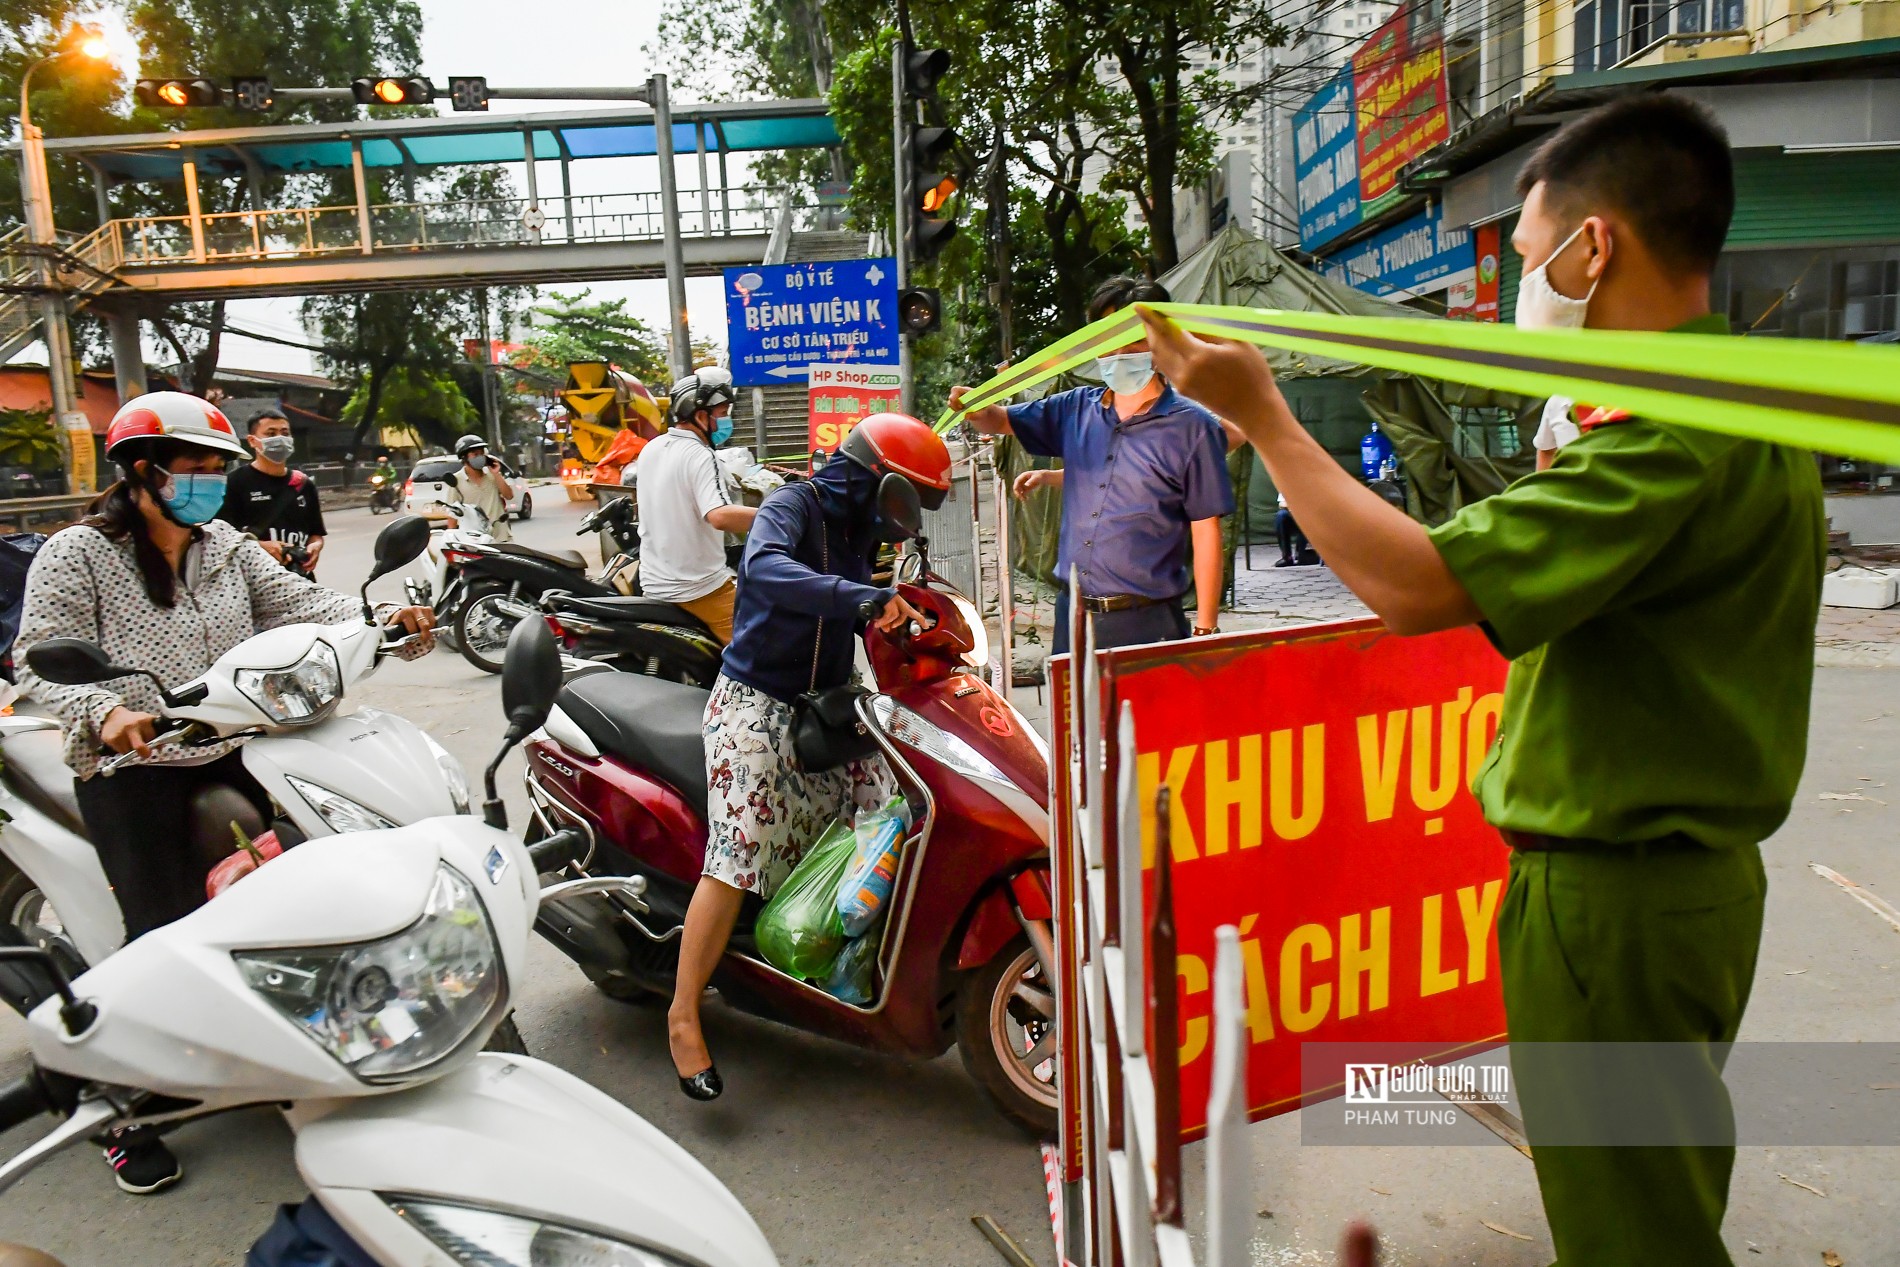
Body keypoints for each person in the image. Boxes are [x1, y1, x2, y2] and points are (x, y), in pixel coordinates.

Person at [1136, 95, 1821, 1267]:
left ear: (1591, 246)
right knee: (1636, 1207)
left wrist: (1265, 417)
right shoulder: (1742, 406)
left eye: (1525, 255)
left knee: (1633, 1238)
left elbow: (1416, 585)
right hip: (1670, 892)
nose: (1520, 289)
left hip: (1618, 904)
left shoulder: (1673, 431)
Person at [15, 391, 436, 1197]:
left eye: (218, 468)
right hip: (135, 767)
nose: (210, 481)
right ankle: (130, 1106)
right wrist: (106, 711)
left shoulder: (226, 545)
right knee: (158, 935)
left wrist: (382, 618)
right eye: (196, 467)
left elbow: (308, 604)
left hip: (234, 746)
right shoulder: (78, 554)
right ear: (143, 470)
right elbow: (36, 655)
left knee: (307, 882)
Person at [667, 413, 944, 1102]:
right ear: (873, 477)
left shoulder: (858, 532)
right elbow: (766, 570)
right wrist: (860, 596)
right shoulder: (795, 506)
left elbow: (869, 610)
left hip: (827, 707)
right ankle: (682, 1015)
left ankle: (836, 970)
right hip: (753, 705)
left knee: (889, 817)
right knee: (739, 852)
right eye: (906, 499)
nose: (905, 521)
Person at [951, 276, 1235, 650]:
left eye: (1133, 339)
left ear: (1160, 342)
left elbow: (1205, 527)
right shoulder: (1073, 409)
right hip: (1074, 620)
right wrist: (978, 409)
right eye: (1108, 341)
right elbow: (1001, 419)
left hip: (1150, 621)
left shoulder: (1192, 428)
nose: (1119, 353)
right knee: (1073, 712)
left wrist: (1206, 628)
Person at [635, 368, 757, 644]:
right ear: (701, 416)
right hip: (699, 589)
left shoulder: (652, 449)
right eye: (721, 413)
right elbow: (719, 516)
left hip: (654, 584)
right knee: (768, 646)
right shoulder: (700, 455)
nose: (724, 420)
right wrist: (778, 513)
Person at [218, 409, 325, 577]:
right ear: (253, 441)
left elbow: (315, 533)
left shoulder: (304, 484)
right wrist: (260, 546)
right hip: (254, 579)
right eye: (271, 433)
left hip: (299, 579)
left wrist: (315, 547)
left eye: (285, 433)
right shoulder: (234, 483)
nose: (280, 439)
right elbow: (221, 538)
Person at [446, 433, 514, 542]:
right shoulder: (456, 481)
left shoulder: (493, 475)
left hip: (501, 536)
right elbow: (453, 515)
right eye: (475, 454)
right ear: (464, 457)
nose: (480, 457)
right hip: (475, 541)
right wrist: (451, 541)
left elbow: (509, 495)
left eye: (482, 453)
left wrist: (497, 474)